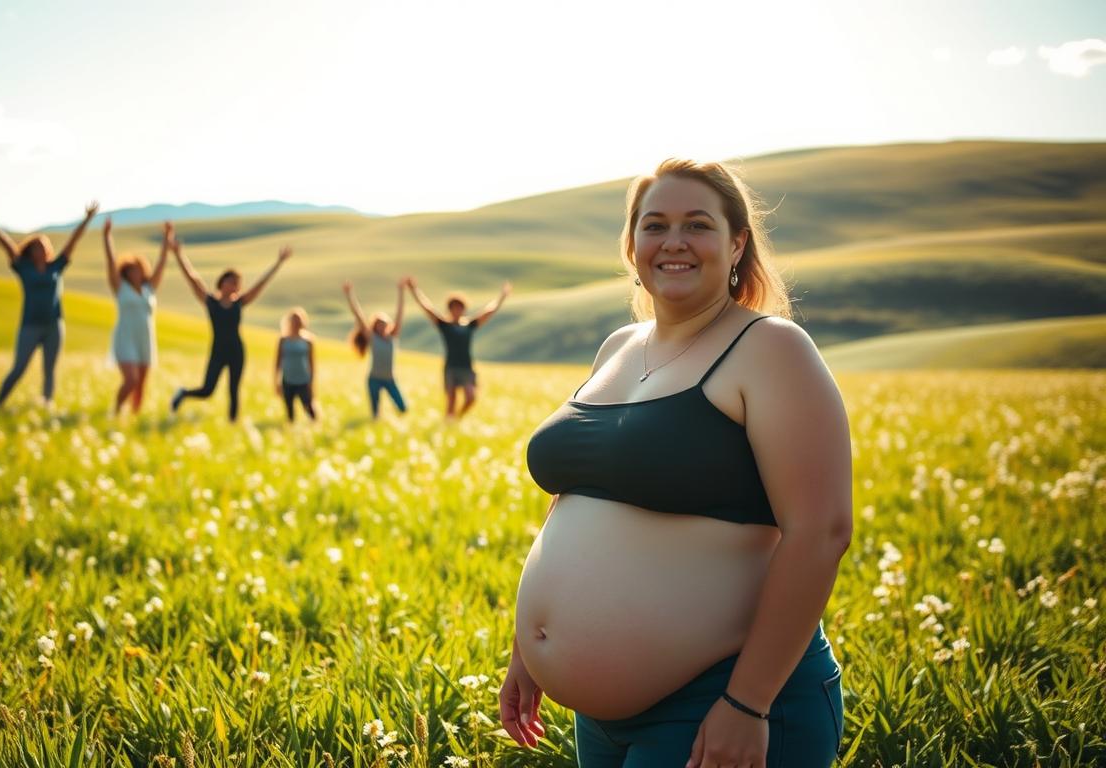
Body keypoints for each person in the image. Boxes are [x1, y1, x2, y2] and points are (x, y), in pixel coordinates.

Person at [504, 159, 853, 768]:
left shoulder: (770, 348)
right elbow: (582, 493)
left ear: (736, 242)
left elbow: (821, 532)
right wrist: (526, 653)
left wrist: (747, 704)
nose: (673, 242)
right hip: (601, 722)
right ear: (632, 242)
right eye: (655, 224)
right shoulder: (619, 346)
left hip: (718, 705)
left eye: (697, 225)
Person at [0, 201, 98, 409]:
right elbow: (6, 245)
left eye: (44, 246)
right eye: (37, 247)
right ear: (30, 251)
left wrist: (87, 219)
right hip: (30, 325)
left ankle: (46, 404)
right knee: (19, 367)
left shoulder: (56, 266)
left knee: (49, 369)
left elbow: (72, 242)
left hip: (54, 325)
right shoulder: (24, 268)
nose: (42, 250)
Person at [170, 241, 294, 421]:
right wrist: (178, 255)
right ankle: (183, 393)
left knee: (234, 390)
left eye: (237, 283)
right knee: (207, 390)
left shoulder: (239, 303)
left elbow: (260, 284)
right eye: (231, 281)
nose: (234, 285)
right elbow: (192, 278)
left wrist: (278, 263)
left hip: (236, 351)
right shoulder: (210, 301)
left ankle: (232, 423)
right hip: (218, 350)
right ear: (222, 283)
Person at [407, 278, 511, 418]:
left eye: (459, 307)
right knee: (451, 401)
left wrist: (502, 297)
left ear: (464, 309)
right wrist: (414, 290)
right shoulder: (444, 325)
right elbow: (427, 308)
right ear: (449, 309)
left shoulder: (470, 325)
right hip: (451, 367)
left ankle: (458, 417)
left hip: (466, 367)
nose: (457, 310)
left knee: (471, 397)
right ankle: (449, 424)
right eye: (454, 307)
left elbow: (488, 312)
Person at [103, 216, 170, 414]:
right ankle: (116, 410)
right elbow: (110, 261)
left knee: (141, 382)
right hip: (125, 336)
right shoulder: (120, 288)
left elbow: (162, 263)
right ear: (125, 272)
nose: (135, 273)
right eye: (131, 270)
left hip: (145, 337)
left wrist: (167, 239)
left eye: (138, 270)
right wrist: (107, 237)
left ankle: (134, 415)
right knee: (131, 380)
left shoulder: (149, 288)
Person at [342, 278, 408, 419]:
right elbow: (358, 315)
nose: (382, 326)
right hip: (374, 379)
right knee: (375, 414)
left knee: (403, 408)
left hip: (390, 379)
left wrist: (401, 291)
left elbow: (400, 314)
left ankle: (396, 421)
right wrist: (349, 295)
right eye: (379, 324)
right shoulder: (372, 338)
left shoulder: (393, 337)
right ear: (375, 326)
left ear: (388, 325)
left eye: (384, 323)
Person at [274, 307, 318, 422]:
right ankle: (291, 430)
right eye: (294, 320)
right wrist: (276, 381)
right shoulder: (283, 340)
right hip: (287, 379)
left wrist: (311, 382)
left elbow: (311, 362)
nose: (296, 323)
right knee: (289, 411)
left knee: (309, 408)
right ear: (289, 322)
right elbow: (277, 361)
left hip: (303, 379)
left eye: (298, 320)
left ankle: (315, 427)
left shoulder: (308, 340)